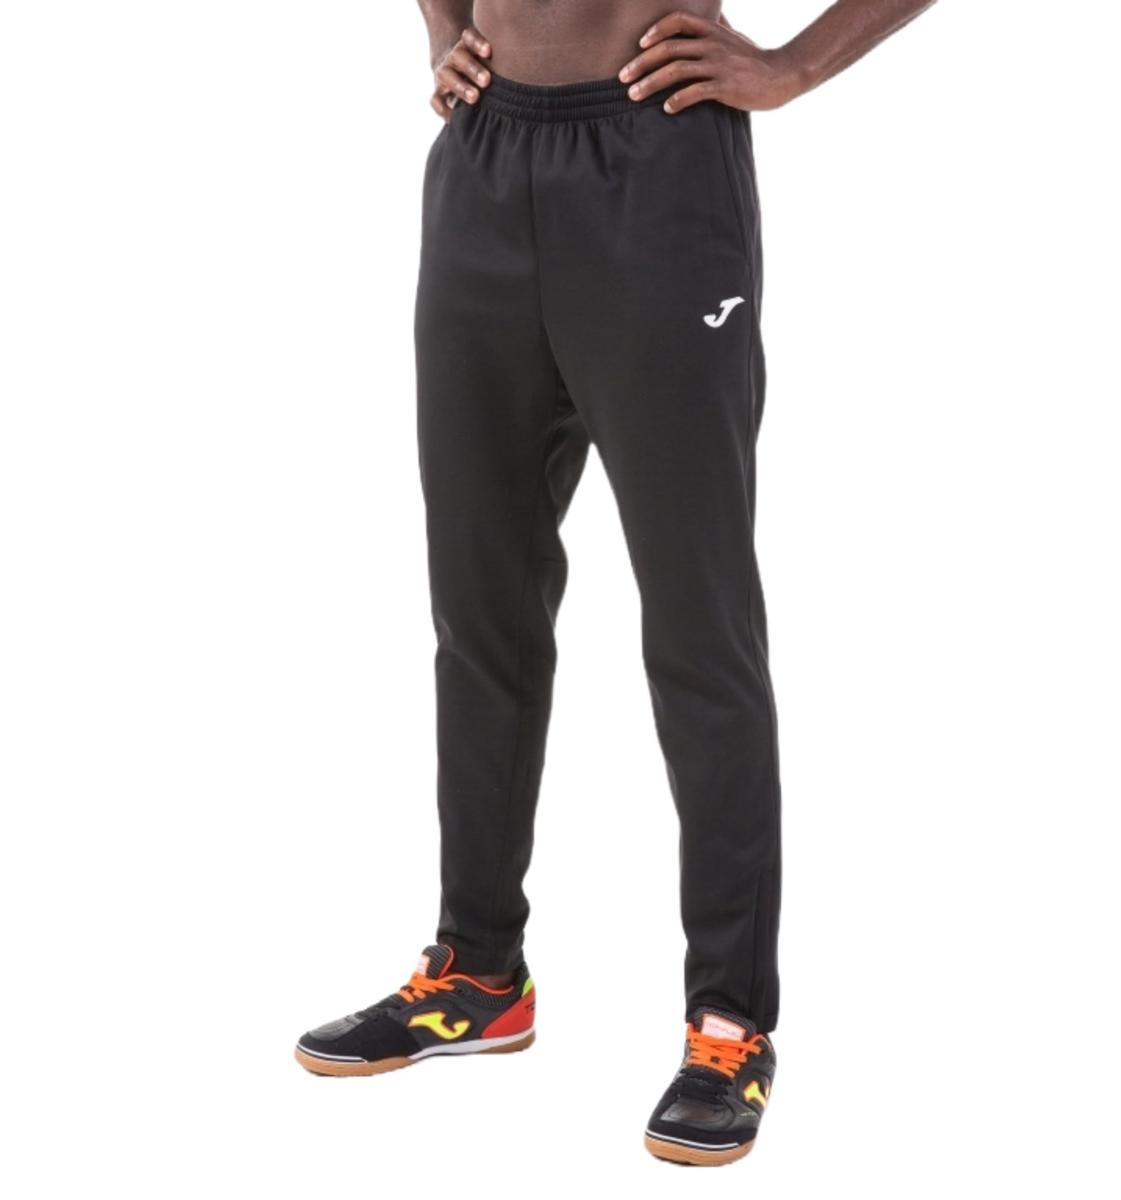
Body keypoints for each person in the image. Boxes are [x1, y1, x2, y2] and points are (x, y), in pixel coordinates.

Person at [295, 0, 935, 1166]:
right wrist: (444, 35)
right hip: (484, 166)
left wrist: (793, 66)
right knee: (479, 613)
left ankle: (730, 1024)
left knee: (700, 629)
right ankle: (477, 970)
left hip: (659, 168)